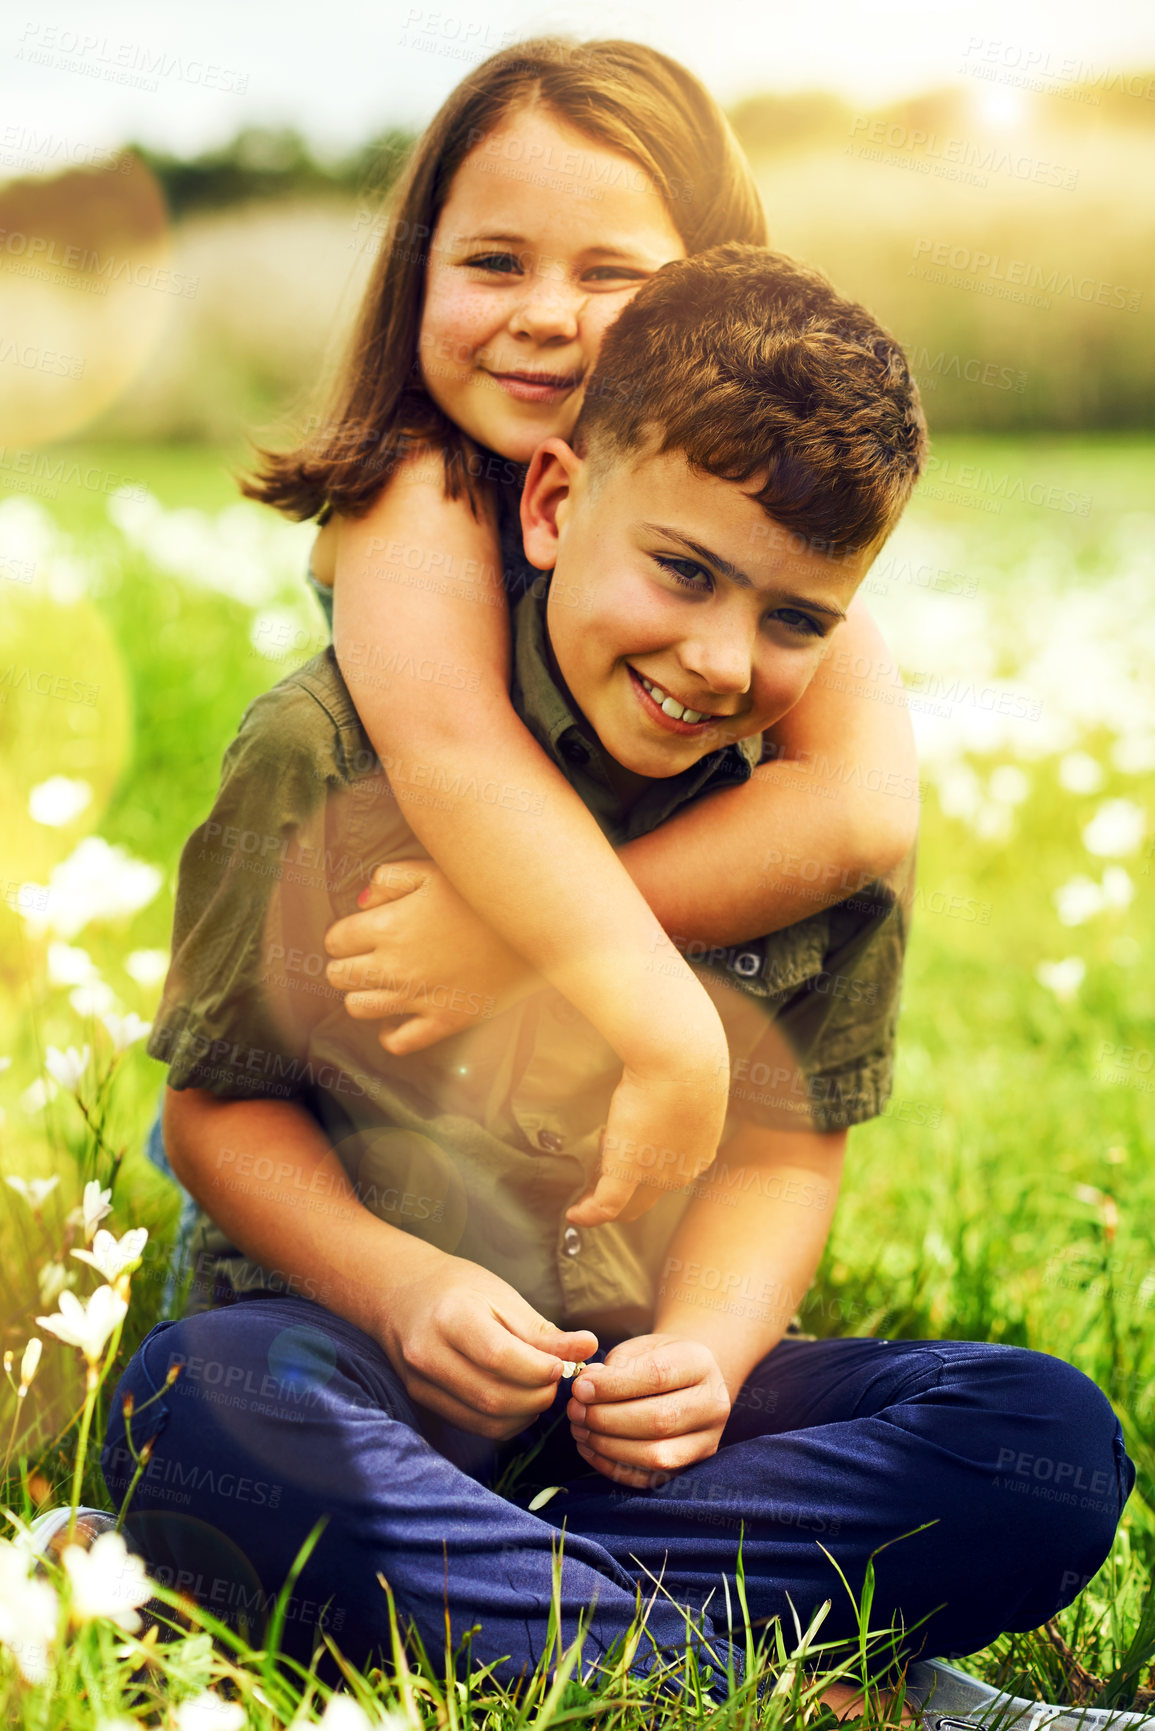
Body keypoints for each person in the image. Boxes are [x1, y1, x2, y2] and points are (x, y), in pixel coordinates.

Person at [87, 248, 1132, 1718]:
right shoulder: (325, 752)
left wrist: (700, 1357)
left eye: (794, 621)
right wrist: (404, 1290)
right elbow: (213, 1121)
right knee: (202, 1405)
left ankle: (468, 1597)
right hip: (350, 1363)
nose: (717, 660)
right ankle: (787, 1687)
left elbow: (782, 1152)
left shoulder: (797, 836)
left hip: (634, 1419)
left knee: (1043, 1438)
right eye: (684, 571)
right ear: (556, 499)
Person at [233, 36, 921, 1231]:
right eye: (494, 262)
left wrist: (517, 943)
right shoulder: (415, 487)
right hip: (362, 1101)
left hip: (545, 1106)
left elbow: (861, 809)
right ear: (418, 273)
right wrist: (654, 1009)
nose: (546, 318)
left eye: (612, 274)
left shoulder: (741, 537)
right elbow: (455, 751)